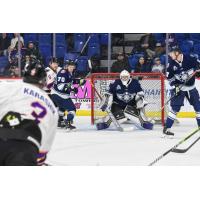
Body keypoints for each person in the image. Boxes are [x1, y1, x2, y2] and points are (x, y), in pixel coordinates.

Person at [0, 61, 58, 165]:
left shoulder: (12, 86)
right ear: (44, 81)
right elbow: (42, 153)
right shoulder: (51, 106)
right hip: (26, 148)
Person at [164, 47, 200, 136]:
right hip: (180, 88)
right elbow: (170, 79)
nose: (170, 55)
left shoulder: (190, 59)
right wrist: (175, 86)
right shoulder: (171, 65)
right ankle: (167, 129)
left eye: (171, 53)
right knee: (175, 108)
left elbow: (198, 66)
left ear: (177, 53)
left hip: (191, 88)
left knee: (198, 107)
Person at [51, 60, 86, 130]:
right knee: (72, 109)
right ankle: (68, 122)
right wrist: (72, 88)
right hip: (59, 95)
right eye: (70, 67)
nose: (71, 68)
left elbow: (71, 81)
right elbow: (60, 86)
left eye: (73, 67)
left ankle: (59, 121)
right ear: (67, 66)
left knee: (62, 108)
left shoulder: (69, 72)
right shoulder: (63, 73)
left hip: (56, 95)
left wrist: (79, 81)